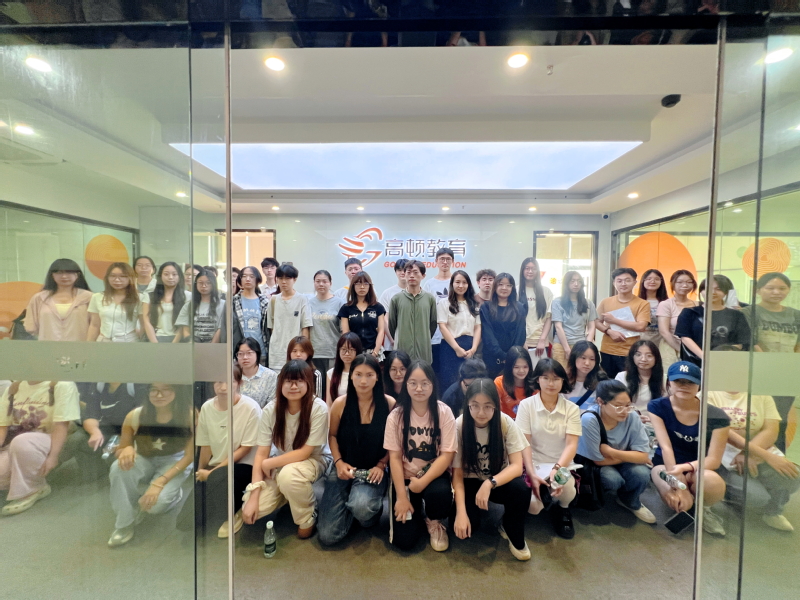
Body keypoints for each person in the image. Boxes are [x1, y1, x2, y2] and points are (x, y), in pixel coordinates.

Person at [241, 360, 332, 539]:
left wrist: (269, 463)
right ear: (280, 383)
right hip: (281, 461)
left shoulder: (318, 408)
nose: (293, 386)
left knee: (289, 476)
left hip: (314, 459)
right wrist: (254, 494)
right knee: (254, 508)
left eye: (299, 381)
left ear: (308, 383)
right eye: (288, 381)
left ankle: (307, 516)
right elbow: (261, 453)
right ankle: (289, 493)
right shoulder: (271, 410)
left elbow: (305, 452)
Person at [318, 355, 395, 545]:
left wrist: (381, 464)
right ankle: (350, 504)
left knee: (363, 508)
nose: (363, 381)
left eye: (369, 375)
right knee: (328, 536)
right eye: (358, 374)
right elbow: (332, 436)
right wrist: (338, 463)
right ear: (351, 375)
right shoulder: (340, 404)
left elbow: (394, 442)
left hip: (372, 470)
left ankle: (364, 512)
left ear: (377, 377)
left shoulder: (389, 404)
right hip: (343, 466)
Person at [452, 379, 531, 561]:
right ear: (467, 404)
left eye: (487, 406)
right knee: (467, 529)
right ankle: (470, 511)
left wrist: (490, 483)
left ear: (496, 404)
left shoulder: (505, 422)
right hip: (469, 481)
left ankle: (510, 526)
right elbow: (457, 474)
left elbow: (516, 466)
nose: (481, 412)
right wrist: (461, 513)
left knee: (520, 489)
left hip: (497, 479)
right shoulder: (459, 425)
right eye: (475, 405)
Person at [649, 361, 730, 536]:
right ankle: (687, 504)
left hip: (699, 466)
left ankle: (704, 509)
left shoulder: (717, 416)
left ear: (699, 385)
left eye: (690, 382)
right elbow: (666, 447)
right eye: (678, 381)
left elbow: (713, 459)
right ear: (669, 382)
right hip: (666, 465)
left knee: (712, 482)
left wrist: (685, 468)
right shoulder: (657, 406)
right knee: (672, 494)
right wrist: (679, 485)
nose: (684, 386)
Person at [108, 383, 194, 547]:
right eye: (154, 390)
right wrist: (126, 449)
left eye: (166, 389)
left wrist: (159, 483)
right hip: (144, 458)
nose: (159, 395)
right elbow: (122, 448)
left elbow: (189, 456)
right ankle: (124, 523)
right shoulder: (135, 415)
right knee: (118, 468)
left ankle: (174, 495)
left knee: (155, 506)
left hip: (175, 460)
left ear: (176, 391)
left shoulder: (189, 416)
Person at [384, 360, 457, 552]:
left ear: (433, 384)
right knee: (404, 542)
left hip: (432, 475)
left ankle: (434, 520)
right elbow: (394, 458)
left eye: (425, 383)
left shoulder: (444, 412)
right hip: (405, 479)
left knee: (440, 495)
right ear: (406, 384)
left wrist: (423, 482)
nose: (419, 389)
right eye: (413, 383)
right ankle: (416, 511)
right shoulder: (396, 416)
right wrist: (402, 497)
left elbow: (447, 455)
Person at [708, 389, 800, 532]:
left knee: (792, 476)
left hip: (755, 451)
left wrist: (748, 453)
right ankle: (723, 496)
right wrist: (761, 454)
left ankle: (773, 512)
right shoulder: (709, 394)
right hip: (723, 454)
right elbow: (722, 430)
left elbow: (771, 430)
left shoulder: (762, 395)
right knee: (755, 497)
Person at [190, 367, 261, 538]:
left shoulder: (250, 407)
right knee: (187, 522)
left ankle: (235, 512)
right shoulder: (207, 407)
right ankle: (222, 503)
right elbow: (205, 445)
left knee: (221, 481)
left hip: (244, 465)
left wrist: (212, 472)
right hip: (217, 465)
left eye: (230, 382)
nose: (223, 387)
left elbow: (246, 449)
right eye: (219, 382)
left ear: (239, 383)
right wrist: (199, 472)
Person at [516, 358, 581, 539]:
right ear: (537, 379)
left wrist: (557, 469)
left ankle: (563, 509)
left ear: (563, 381)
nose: (551, 384)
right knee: (533, 507)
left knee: (567, 488)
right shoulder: (526, 405)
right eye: (545, 378)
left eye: (556, 379)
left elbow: (571, 445)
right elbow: (524, 444)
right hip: (533, 462)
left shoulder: (572, 409)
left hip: (561, 463)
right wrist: (531, 473)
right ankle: (545, 496)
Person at [576, 380, 656, 523]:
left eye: (628, 405)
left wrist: (611, 451)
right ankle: (602, 497)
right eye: (618, 406)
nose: (624, 411)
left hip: (613, 458)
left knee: (642, 473)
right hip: (598, 464)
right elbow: (598, 460)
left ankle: (630, 501)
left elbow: (643, 456)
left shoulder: (632, 416)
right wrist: (632, 455)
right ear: (600, 402)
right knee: (613, 479)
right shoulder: (589, 420)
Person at [0, 380, 81, 515]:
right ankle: (24, 476)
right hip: (19, 443)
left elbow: (61, 426)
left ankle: (34, 488)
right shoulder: (14, 389)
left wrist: (53, 456)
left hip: (54, 440)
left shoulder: (62, 385)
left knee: (22, 442)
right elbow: (2, 426)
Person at [745, 272, 800, 452]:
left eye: (782, 288)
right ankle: (752, 455)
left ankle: (777, 459)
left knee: (780, 420)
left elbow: (798, 346)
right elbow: (751, 342)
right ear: (758, 290)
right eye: (770, 288)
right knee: (757, 419)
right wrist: (770, 365)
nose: (776, 292)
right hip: (759, 373)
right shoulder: (749, 312)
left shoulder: (796, 315)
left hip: (786, 374)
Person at [60, 382, 143, 482]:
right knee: (78, 438)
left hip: (132, 432)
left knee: (120, 457)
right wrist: (95, 432)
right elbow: (90, 415)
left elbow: (141, 416)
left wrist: (125, 440)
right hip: (107, 430)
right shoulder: (99, 385)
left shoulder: (135, 385)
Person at [676, 275, 751, 365]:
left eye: (718, 289)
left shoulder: (736, 315)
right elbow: (685, 338)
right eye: (708, 288)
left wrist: (723, 356)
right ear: (701, 291)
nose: (713, 292)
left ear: (726, 292)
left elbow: (743, 341)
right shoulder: (689, 312)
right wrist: (704, 356)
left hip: (727, 362)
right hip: (695, 363)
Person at [595, 268, 651, 378]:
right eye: (619, 281)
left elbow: (641, 326)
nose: (623, 284)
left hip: (630, 352)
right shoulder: (606, 302)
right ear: (614, 283)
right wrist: (609, 331)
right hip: (607, 350)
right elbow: (596, 322)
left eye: (627, 280)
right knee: (607, 382)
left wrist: (614, 320)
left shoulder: (642, 304)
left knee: (629, 382)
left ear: (634, 282)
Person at [24, 258, 93, 341]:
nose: (64, 276)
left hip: (80, 345)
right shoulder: (39, 298)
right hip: (48, 345)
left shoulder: (88, 297)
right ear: (52, 275)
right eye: (59, 272)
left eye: (69, 272)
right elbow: (31, 326)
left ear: (77, 274)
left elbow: (95, 325)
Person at [437, 270, 481, 391]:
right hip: (450, 348)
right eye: (457, 282)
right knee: (450, 384)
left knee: (470, 384)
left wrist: (474, 349)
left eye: (464, 282)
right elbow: (442, 326)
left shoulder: (473, 304)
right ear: (452, 284)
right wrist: (457, 348)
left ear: (468, 285)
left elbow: (477, 327)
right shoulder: (444, 303)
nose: (461, 285)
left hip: (470, 348)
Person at [479, 272, 527, 378]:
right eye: (500, 284)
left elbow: (521, 333)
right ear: (495, 286)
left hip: (514, 359)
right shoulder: (486, 307)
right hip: (491, 358)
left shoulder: (519, 307)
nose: (504, 288)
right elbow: (487, 334)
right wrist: (502, 355)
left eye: (508, 285)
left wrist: (512, 355)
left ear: (512, 288)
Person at [388, 260, 437, 364]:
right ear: (405, 274)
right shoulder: (396, 299)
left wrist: (424, 337)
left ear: (423, 275)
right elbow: (392, 325)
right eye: (408, 272)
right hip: (403, 350)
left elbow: (433, 324)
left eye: (415, 272)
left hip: (423, 350)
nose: (411, 276)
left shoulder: (429, 299)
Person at [268, 264, 312, 372]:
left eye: (287, 278)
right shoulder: (273, 300)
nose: (283, 282)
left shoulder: (302, 299)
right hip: (277, 353)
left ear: (294, 279)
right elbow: (272, 327)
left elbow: (305, 327)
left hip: (296, 352)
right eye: (280, 278)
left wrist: (303, 350)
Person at [307, 269, 344, 395]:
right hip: (314, 353)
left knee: (333, 389)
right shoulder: (308, 303)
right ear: (314, 283)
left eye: (324, 281)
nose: (321, 284)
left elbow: (343, 330)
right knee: (316, 389)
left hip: (333, 353)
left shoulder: (339, 303)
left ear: (330, 283)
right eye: (318, 281)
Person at [551, 271, 597, 369]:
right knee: (561, 374)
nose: (576, 284)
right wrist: (567, 349)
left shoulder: (588, 303)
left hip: (580, 345)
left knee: (579, 373)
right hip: (561, 345)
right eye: (572, 281)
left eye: (579, 281)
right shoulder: (557, 302)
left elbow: (592, 326)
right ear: (566, 283)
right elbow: (558, 327)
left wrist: (587, 346)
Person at [87, 262, 142, 342]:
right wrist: (89, 344)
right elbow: (94, 325)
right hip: (104, 341)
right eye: (112, 276)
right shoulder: (97, 297)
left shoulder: (139, 298)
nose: (117, 280)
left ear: (130, 278)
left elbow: (144, 325)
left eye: (122, 276)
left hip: (129, 341)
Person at [338, 271, 386, 359]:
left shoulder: (378, 307)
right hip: (353, 351)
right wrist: (351, 351)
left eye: (366, 283)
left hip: (373, 351)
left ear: (370, 286)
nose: (362, 287)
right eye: (358, 283)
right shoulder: (346, 308)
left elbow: (381, 331)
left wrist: (375, 353)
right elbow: (346, 333)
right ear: (353, 286)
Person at [656, 270, 698, 368]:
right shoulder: (666, 304)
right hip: (672, 348)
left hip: (695, 349)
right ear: (673, 284)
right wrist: (682, 351)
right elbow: (664, 332)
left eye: (689, 282)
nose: (685, 285)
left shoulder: (698, 305)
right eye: (680, 282)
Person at [423, 247, 455, 374]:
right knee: (434, 372)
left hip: (454, 335)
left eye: (448, 259)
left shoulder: (457, 282)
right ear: (436, 261)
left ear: (452, 261)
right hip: (434, 337)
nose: (445, 262)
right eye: (442, 259)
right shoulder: (429, 284)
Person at [143, 261, 190, 343]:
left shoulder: (187, 296)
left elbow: (184, 322)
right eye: (166, 274)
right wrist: (154, 342)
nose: (170, 277)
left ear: (179, 276)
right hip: (155, 337)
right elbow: (146, 320)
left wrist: (174, 343)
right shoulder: (150, 296)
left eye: (174, 274)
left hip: (179, 340)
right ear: (160, 276)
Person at [615, 340, 665, 415]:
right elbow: (617, 404)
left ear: (656, 358)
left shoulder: (665, 379)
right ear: (632, 357)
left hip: (655, 419)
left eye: (649, 355)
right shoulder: (622, 377)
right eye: (638, 355)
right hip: (628, 418)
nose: (643, 359)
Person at [232, 266, 270, 364]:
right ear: (240, 279)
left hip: (260, 351)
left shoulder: (265, 302)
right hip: (240, 353)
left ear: (257, 279)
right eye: (244, 276)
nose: (248, 279)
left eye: (252, 276)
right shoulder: (233, 301)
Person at [175, 268, 224, 343]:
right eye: (200, 283)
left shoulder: (223, 305)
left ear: (214, 284)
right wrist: (192, 343)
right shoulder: (188, 305)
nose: (204, 286)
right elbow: (185, 328)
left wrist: (212, 346)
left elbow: (220, 329)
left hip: (214, 346)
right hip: (193, 345)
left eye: (208, 283)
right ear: (196, 284)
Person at [519, 258, 553, 366]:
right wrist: (522, 341)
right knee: (523, 372)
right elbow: (515, 320)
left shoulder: (546, 291)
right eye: (527, 268)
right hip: (521, 341)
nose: (530, 271)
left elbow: (549, 318)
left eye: (533, 269)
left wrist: (542, 340)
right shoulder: (516, 290)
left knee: (541, 372)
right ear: (522, 270)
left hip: (541, 343)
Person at [236, 338, 278, 408]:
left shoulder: (271, 376)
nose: (245, 357)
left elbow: (273, 404)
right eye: (240, 354)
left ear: (257, 354)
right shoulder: (232, 375)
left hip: (263, 414)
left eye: (249, 353)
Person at [494, 346, 535, 418]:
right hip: (506, 422)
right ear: (509, 367)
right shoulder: (499, 383)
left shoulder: (535, 383)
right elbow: (496, 410)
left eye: (525, 367)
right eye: (516, 367)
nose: (521, 371)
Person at [379, 259, 408, 353]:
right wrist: (392, 338)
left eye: (405, 270)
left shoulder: (419, 292)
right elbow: (385, 318)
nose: (402, 273)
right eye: (399, 270)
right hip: (391, 343)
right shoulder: (387, 293)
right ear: (395, 272)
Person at [327, 332, 363, 406]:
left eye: (351, 350)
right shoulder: (331, 373)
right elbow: (329, 403)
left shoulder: (363, 372)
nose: (347, 354)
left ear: (358, 351)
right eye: (343, 349)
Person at [566, 341, 606, 405]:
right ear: (574, 357)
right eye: (583, 358)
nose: (587, 363)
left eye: (592, 359)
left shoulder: (601, 381)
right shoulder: (563, 381)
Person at [638, 269, 668, 346]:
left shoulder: (667, 303)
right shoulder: (636, 302)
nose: (652, 281)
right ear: (643, 281)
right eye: (649, 279)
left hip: (662, 343)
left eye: (657, 279)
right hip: (640, 343)